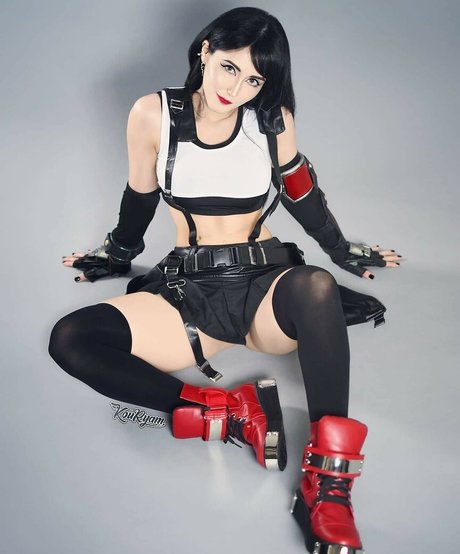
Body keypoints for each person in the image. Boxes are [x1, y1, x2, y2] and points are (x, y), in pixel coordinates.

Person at [48, 7, 403, 554]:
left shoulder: (272, 119)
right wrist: (117, 253)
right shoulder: (152, 114)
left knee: (315, 286)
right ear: (206, 50)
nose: (236, 90)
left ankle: (328, 486)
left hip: (266, 290)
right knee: (71, 338)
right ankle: (231, 411)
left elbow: (302, 197)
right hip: (189, 297)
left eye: (254, 80)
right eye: (230, 67)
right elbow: (140, 195)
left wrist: (343, 251)